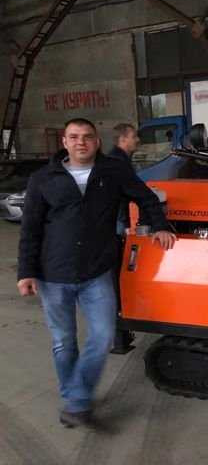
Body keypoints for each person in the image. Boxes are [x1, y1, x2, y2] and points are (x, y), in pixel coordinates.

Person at [16, 118, 176, 428]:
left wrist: (159, 226)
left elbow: (145, 197)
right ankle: (75, 397)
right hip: (53, 274)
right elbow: (30, 229)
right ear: (64, 142)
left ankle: (76, 400)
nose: (81, 142)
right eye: (74, 137)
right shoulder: (43, 179)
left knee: (102, 337)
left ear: (97, 142)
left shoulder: (113, 172)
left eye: (87, 136)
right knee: (64, 342)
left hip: (96, 273)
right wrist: (26, 272)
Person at [109, 123, 141, 234]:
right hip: (118, 218)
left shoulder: (120, 159)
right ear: (123, 139)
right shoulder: (117, 162)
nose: (137, 140)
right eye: (134, 136)